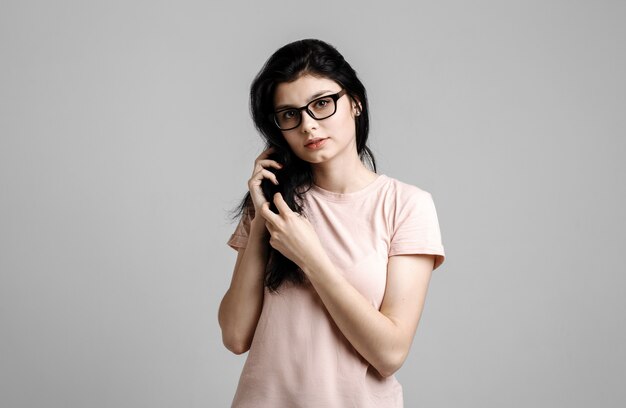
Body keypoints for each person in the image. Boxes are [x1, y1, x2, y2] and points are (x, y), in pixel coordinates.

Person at [218, 38, 446, 408]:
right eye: (290, 114)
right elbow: (234, 336)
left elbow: (389, 354)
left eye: (322, 104)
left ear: (354, 101)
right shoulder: (272, 206)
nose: (308, 125)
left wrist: (311, 258)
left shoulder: (406, 206)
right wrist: (263, 219)